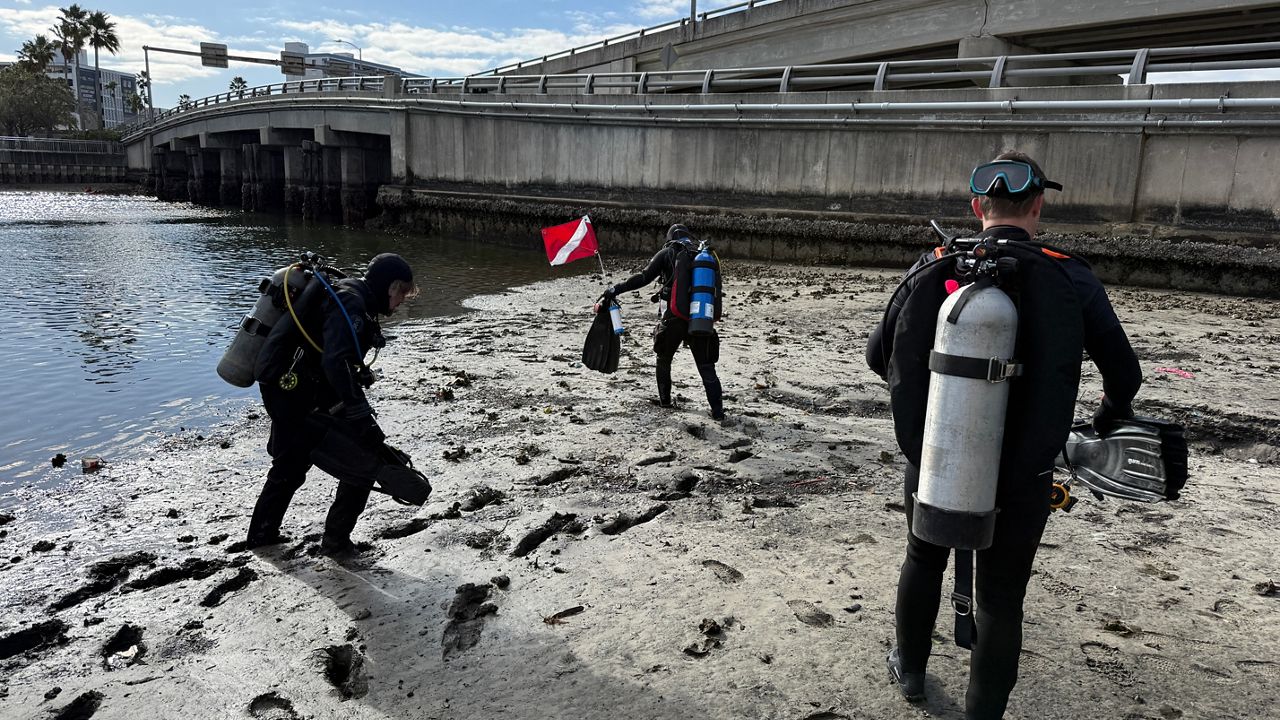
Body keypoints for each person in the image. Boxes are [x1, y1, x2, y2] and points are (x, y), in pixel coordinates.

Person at [865, 151, 1142, 719]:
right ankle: (982, 712)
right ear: (1038, 206)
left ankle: (911, 671)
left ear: (976, 207)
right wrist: (1105, 421)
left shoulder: (936, 264)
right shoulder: (1069, 273)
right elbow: (1125, 374)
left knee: (923, 557)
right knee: (1000, 595)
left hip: (936, 453)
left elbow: (878, 355)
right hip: (1025, 470)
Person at [245, 253, 418, 556]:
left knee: (290, 464)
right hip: (296, 389)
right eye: (403, 292)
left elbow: (334, 359)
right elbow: (335, 362)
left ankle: (262, 536)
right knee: (365, 462)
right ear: (391, 287)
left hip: (283, 383)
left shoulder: (349, 293)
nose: (402, 300)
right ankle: (336, 542)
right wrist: (361, 415)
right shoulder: (352, 304)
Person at [599, 223, 724, 420]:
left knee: (664, 359)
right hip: (700, 316)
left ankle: (665, 402)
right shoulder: (702, 255)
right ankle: (718, 413)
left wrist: (615, 289)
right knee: (707, 368)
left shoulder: (668, 251)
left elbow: (643, 277)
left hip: (674, 318)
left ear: (669, 237)